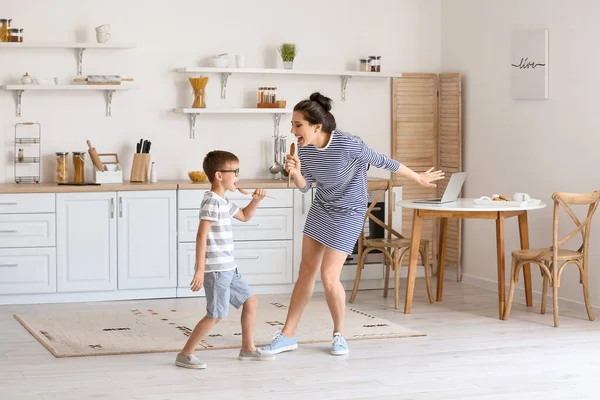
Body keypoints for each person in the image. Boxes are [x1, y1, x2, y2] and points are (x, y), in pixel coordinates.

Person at [260, 92, 444, 356]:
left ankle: (340, 335)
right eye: (292, 124)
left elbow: (384, 161)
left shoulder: (349, 144)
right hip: (322, 208)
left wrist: (417, 177)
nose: (292, 130)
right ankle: (287, 336)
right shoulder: (304, 148)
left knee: (328, 276)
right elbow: (306, 186)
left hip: (349, 213)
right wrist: (296, 173)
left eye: (297, 124)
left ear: (317, 126)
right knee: (306, 271)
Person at [175, 150, 275, 369]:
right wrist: (200, 270)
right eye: (235, 172)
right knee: (216, 314)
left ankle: (247, 349)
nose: (238, 177)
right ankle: (185, 353)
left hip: (229, 267)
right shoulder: (211, 202)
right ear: (219, 175)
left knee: (250, 301)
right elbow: (201, 234)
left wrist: (256, 200)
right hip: (217, 270)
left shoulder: (224, 201)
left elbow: (245, 216)